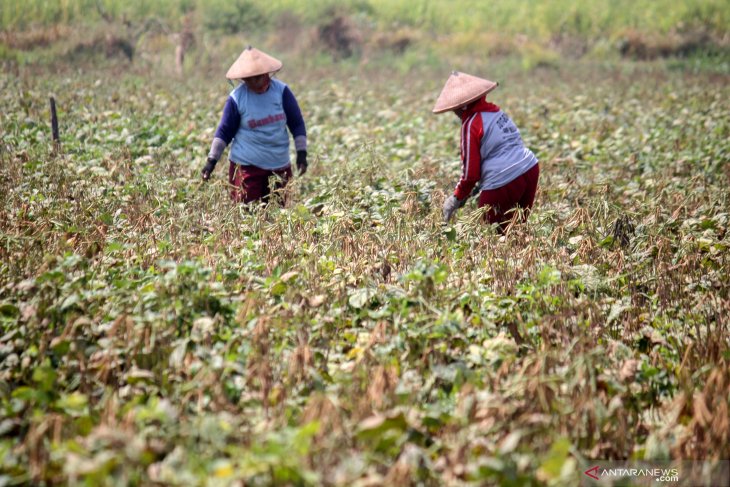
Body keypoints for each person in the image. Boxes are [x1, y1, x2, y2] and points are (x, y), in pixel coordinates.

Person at [433, 71, 539, 232]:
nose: (455, 114)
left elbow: (471, 174)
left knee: (490, 235)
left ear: (463, 106)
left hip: (504, 177)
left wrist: (456, 198)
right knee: (516, 232)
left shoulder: (471, 124)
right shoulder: (497, 113)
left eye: (455, 109)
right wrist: (475, 191)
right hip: (530, 167)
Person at [201, 46, 307, 204]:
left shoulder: (282, 92)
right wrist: (211, 161)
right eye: (248, 80)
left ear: (267, 75)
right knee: (247, 214)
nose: (253, 83)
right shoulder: (237, 98)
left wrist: (301, 154)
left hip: (279, 165)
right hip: (247, 167)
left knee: (277, 215)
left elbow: (297, 124)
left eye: (257, 78)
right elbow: (224, 132)